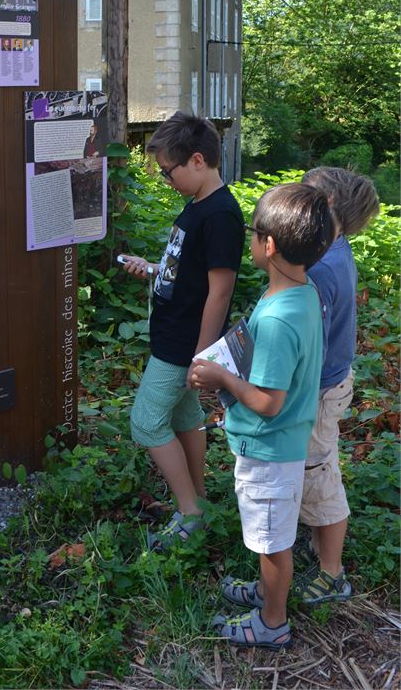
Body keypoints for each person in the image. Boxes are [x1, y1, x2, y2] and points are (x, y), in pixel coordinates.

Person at [191, 183, 334, 649]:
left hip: (269, 450)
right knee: (270, 535)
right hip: (284, 443)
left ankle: (272, 622)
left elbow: (268, 402)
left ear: (267, 246)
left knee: (272, 543)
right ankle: (266, 592)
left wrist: (222, 378)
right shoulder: (304, 292)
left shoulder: (277, 318)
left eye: (253, 234)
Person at [119, 112, 244, 548]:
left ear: (196, 160)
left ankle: (189, 513)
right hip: (176, 333)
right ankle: (201, 502)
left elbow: (221, 290)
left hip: (184, 344)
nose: (165, 179)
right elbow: (189, 271)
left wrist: (203, 353)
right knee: (186, 416)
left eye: (168, 171)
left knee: (147, 423)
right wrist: (155, 269)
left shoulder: (221, 215)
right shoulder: (197, 205)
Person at [293, 167, 379, 603]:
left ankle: (331, 571)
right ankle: (317, 543)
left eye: (305, 197)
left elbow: (313, 346)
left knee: (319, 473)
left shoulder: (323, 268)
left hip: (319, 390)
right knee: (317, 464)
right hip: (329, 383)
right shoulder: (333, 252)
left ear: (327, 208)